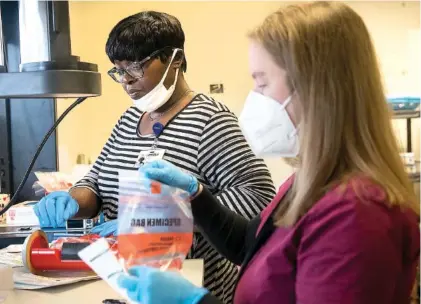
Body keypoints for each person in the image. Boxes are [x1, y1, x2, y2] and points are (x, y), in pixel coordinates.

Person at [115, 2, 420, 304]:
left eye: (261, 82)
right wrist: (195, 195)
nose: (254, 99)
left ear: (314, 89)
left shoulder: (356, 215)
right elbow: (251, 244)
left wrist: (193, 301)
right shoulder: (311, 181)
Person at [33, 11, 276, 304]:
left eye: (134, 69)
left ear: (174, 60)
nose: (125, 81)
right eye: (118, 71)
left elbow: (258, 198)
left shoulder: (211, 120)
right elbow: (96, 181)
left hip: (186, 290)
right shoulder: (130, 119)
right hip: (129, 282)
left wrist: (158, 219)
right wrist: (74, 199)